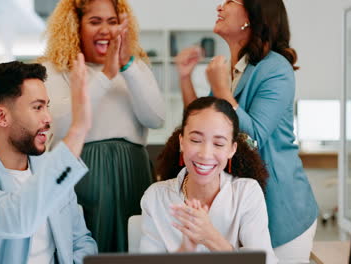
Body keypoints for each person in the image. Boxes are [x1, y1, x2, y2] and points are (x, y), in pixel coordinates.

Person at [175, 0, 318, 262]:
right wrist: (185, 78)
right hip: (241, 205)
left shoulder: (276, 69)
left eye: (230, 1)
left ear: (251, 16)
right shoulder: (232, 70)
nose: (219, 7)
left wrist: (222, 92)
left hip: (281, 209)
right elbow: (202, 124)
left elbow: (252, 140)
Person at [0, 55, 97, 264]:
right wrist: (78, 129)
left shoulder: (49, 166)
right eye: (37, 107)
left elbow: (80, 240)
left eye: (47, 106)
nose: (48, 118)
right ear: (2, 117)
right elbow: (16, 220)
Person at [40, 0, 165, 252]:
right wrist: (106, 75)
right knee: (85, 246)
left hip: (133, 171)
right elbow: (61, 126)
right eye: (95, 22)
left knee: (135, 245)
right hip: (81, 171)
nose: (105, 30)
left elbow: (156, 119)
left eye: (112, 22)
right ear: (75, 26)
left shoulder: (136, 66)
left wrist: (126, 67)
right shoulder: (55, 69)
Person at [140, 97, 277, 264]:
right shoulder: (156, 197)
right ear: (182, 142)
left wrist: (210, 237)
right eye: (196, 140)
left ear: (231, 150)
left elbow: (265, 262)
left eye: (219, 144)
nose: (205, 154)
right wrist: (185, 251)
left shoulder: (246, 193)